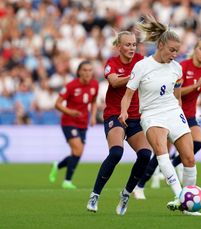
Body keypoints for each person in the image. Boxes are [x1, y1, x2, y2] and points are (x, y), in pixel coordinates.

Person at [119, 15, 201, 216]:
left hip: (173, 112)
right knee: (162, 155)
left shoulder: (177, 68)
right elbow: (128, 94)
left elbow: (177, 94)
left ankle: (186, 205)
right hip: (151, 115)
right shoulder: (142, 66)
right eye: (172, 50)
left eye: (177, 51)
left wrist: (181, 113)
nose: (174, 54)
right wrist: (123, 112)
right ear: (161, 45)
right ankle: (181, 199)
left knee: (189, 158)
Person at [133, 37, 201, 200]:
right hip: (169, 112)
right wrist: (195, 85)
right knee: (163, 153)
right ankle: (140, 184)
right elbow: (175, 92)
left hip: (189, 113)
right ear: (195, 49)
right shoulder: (181, 66)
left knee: (197, 143)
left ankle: (173, 167)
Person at [86, 31, 152, 215]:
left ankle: (126, 193)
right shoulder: (112, 63)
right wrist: (135, 76)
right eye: (128, 44)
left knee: (146, 155)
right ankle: (95, 195)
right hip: (115, 114)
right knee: (116, 152)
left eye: (134, 44)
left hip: (136, 116)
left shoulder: (141, 60)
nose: (132, 48)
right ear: (119, 46)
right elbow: (114, 82)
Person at [49, 60, 99, 189]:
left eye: (90, 70)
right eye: (85, 70)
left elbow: (93, 102)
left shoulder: (94, 85)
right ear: (79, 72)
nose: (88, 73)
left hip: (83, 123)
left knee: (77, 153)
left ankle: (58, 166)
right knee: (78, 150)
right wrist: (70, 111)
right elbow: (57, 104)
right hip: (69, 122)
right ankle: (67, 181)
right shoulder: (71, 86)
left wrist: (93, 116)